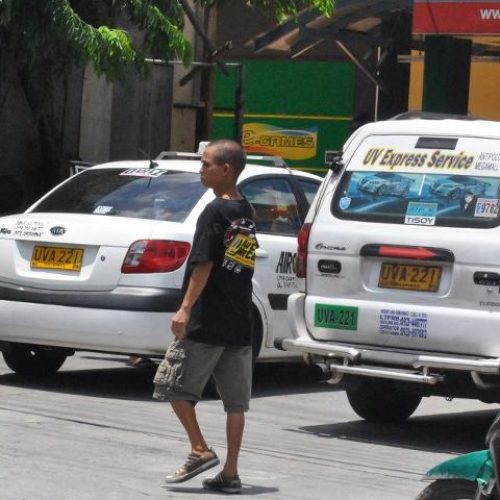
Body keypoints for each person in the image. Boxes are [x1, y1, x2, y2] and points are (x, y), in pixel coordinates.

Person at [153, 139, 257, 494]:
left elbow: (205, 264)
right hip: (238, 320)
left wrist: (184, 308)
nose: (202, 169)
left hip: (208, 318)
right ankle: (230, 473)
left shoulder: (214, 212)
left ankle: (199, 449)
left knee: (171, 385)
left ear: (225, 169)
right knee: (235, 403)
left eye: (206, 163)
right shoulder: (246, 211)